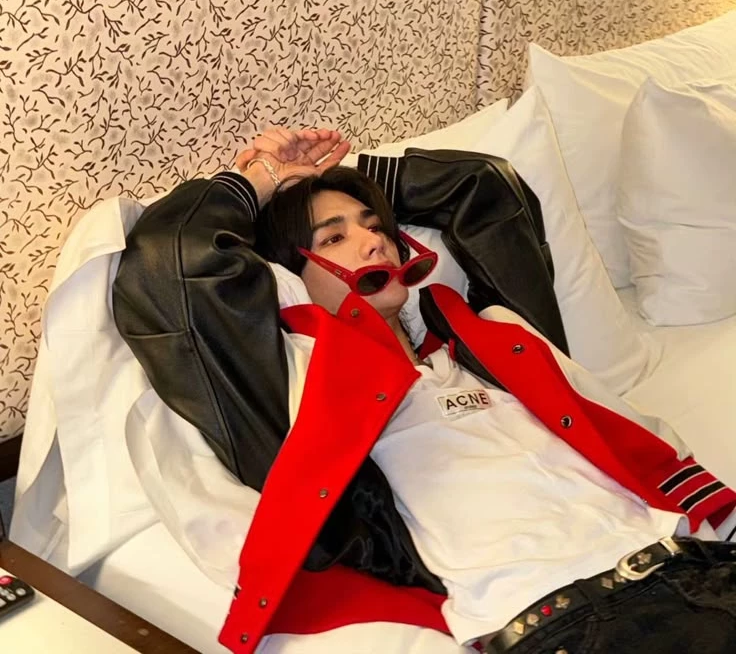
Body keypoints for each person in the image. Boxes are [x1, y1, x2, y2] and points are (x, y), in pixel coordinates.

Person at [112, 127, 736, 654]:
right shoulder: (301, 381)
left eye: (374, 224)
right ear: (289, 277)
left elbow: (481, 188)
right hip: (577, 621)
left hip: (695, 565)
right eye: (333, 238)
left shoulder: (488, 342)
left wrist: (347, 175)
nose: (373, 240)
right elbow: (171, 266)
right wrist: (261, 182)